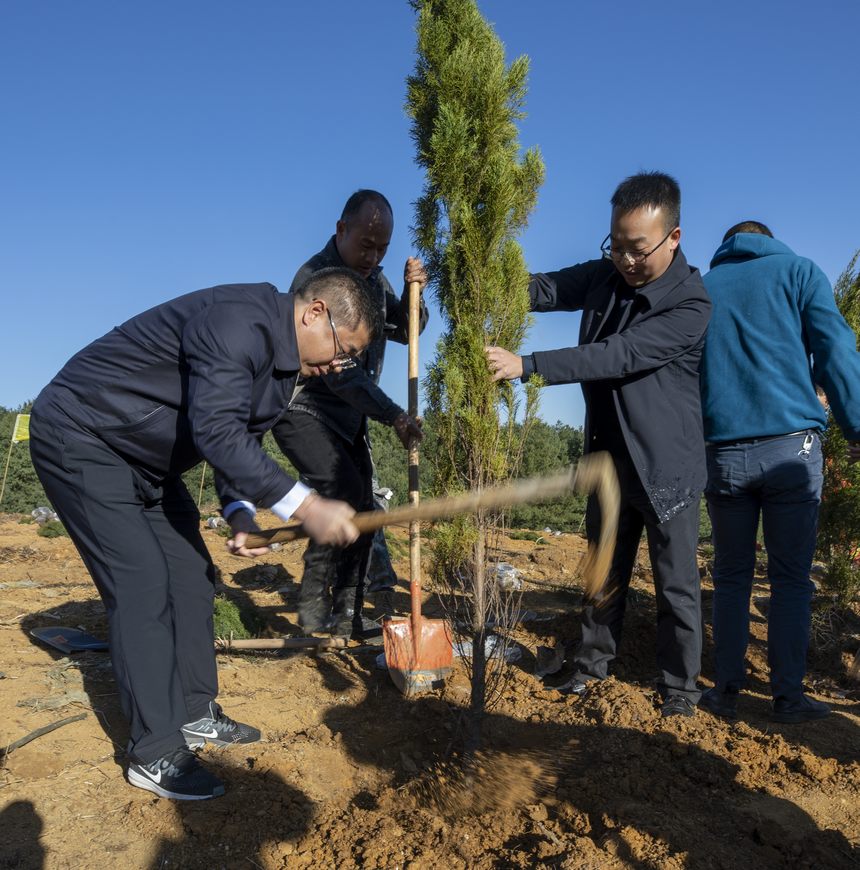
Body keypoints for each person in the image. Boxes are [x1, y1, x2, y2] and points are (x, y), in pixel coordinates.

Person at [28, 268, 381, 800]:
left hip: (149, 463)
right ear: (315, 314)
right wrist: (306, 504)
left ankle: (195, 713)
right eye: (342, 348)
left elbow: (237, 446)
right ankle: (153, 752)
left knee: (192, 576)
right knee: (142, 584)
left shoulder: (284, 374)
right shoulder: (237, 324)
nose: (339, 365)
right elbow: (216, 432)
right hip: (82, 436)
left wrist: (240, 514)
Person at [486, 171, 711, 717]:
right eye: (616, 245)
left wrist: (528, 366)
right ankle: (590, 668)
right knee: (603, 571)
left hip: (666, 467)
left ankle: (680, 689)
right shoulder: (605, 276)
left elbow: (618, 355)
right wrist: (474, 273)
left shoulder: (691, 304)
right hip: (607, 460)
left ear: (673, 237)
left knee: (675, 586)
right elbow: (542, 288)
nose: (626, 260)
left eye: (638, 249)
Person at [698, 221, 860, 723]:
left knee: (730, 576)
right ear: (769, 240)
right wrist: (857, 427)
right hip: (792, 450)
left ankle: (725, 691)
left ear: (726, 246)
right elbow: (835, 350)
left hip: (722, 454)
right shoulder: (800, 273)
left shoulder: (701, 288)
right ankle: (787, 697)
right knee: (790, 579)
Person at [271, 190, 428, 637]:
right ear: (342, 230)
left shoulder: (376, 280)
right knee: (339, 490)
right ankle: (311, 606)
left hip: (350, 416)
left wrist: (415, 294)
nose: (373, 255)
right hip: (304, 406)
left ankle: (347, 611)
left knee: (364, 507)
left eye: (383, 248)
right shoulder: (315, 279)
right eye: (366, 244)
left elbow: (405, 329)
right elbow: (339, 372)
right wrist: (394, 415)